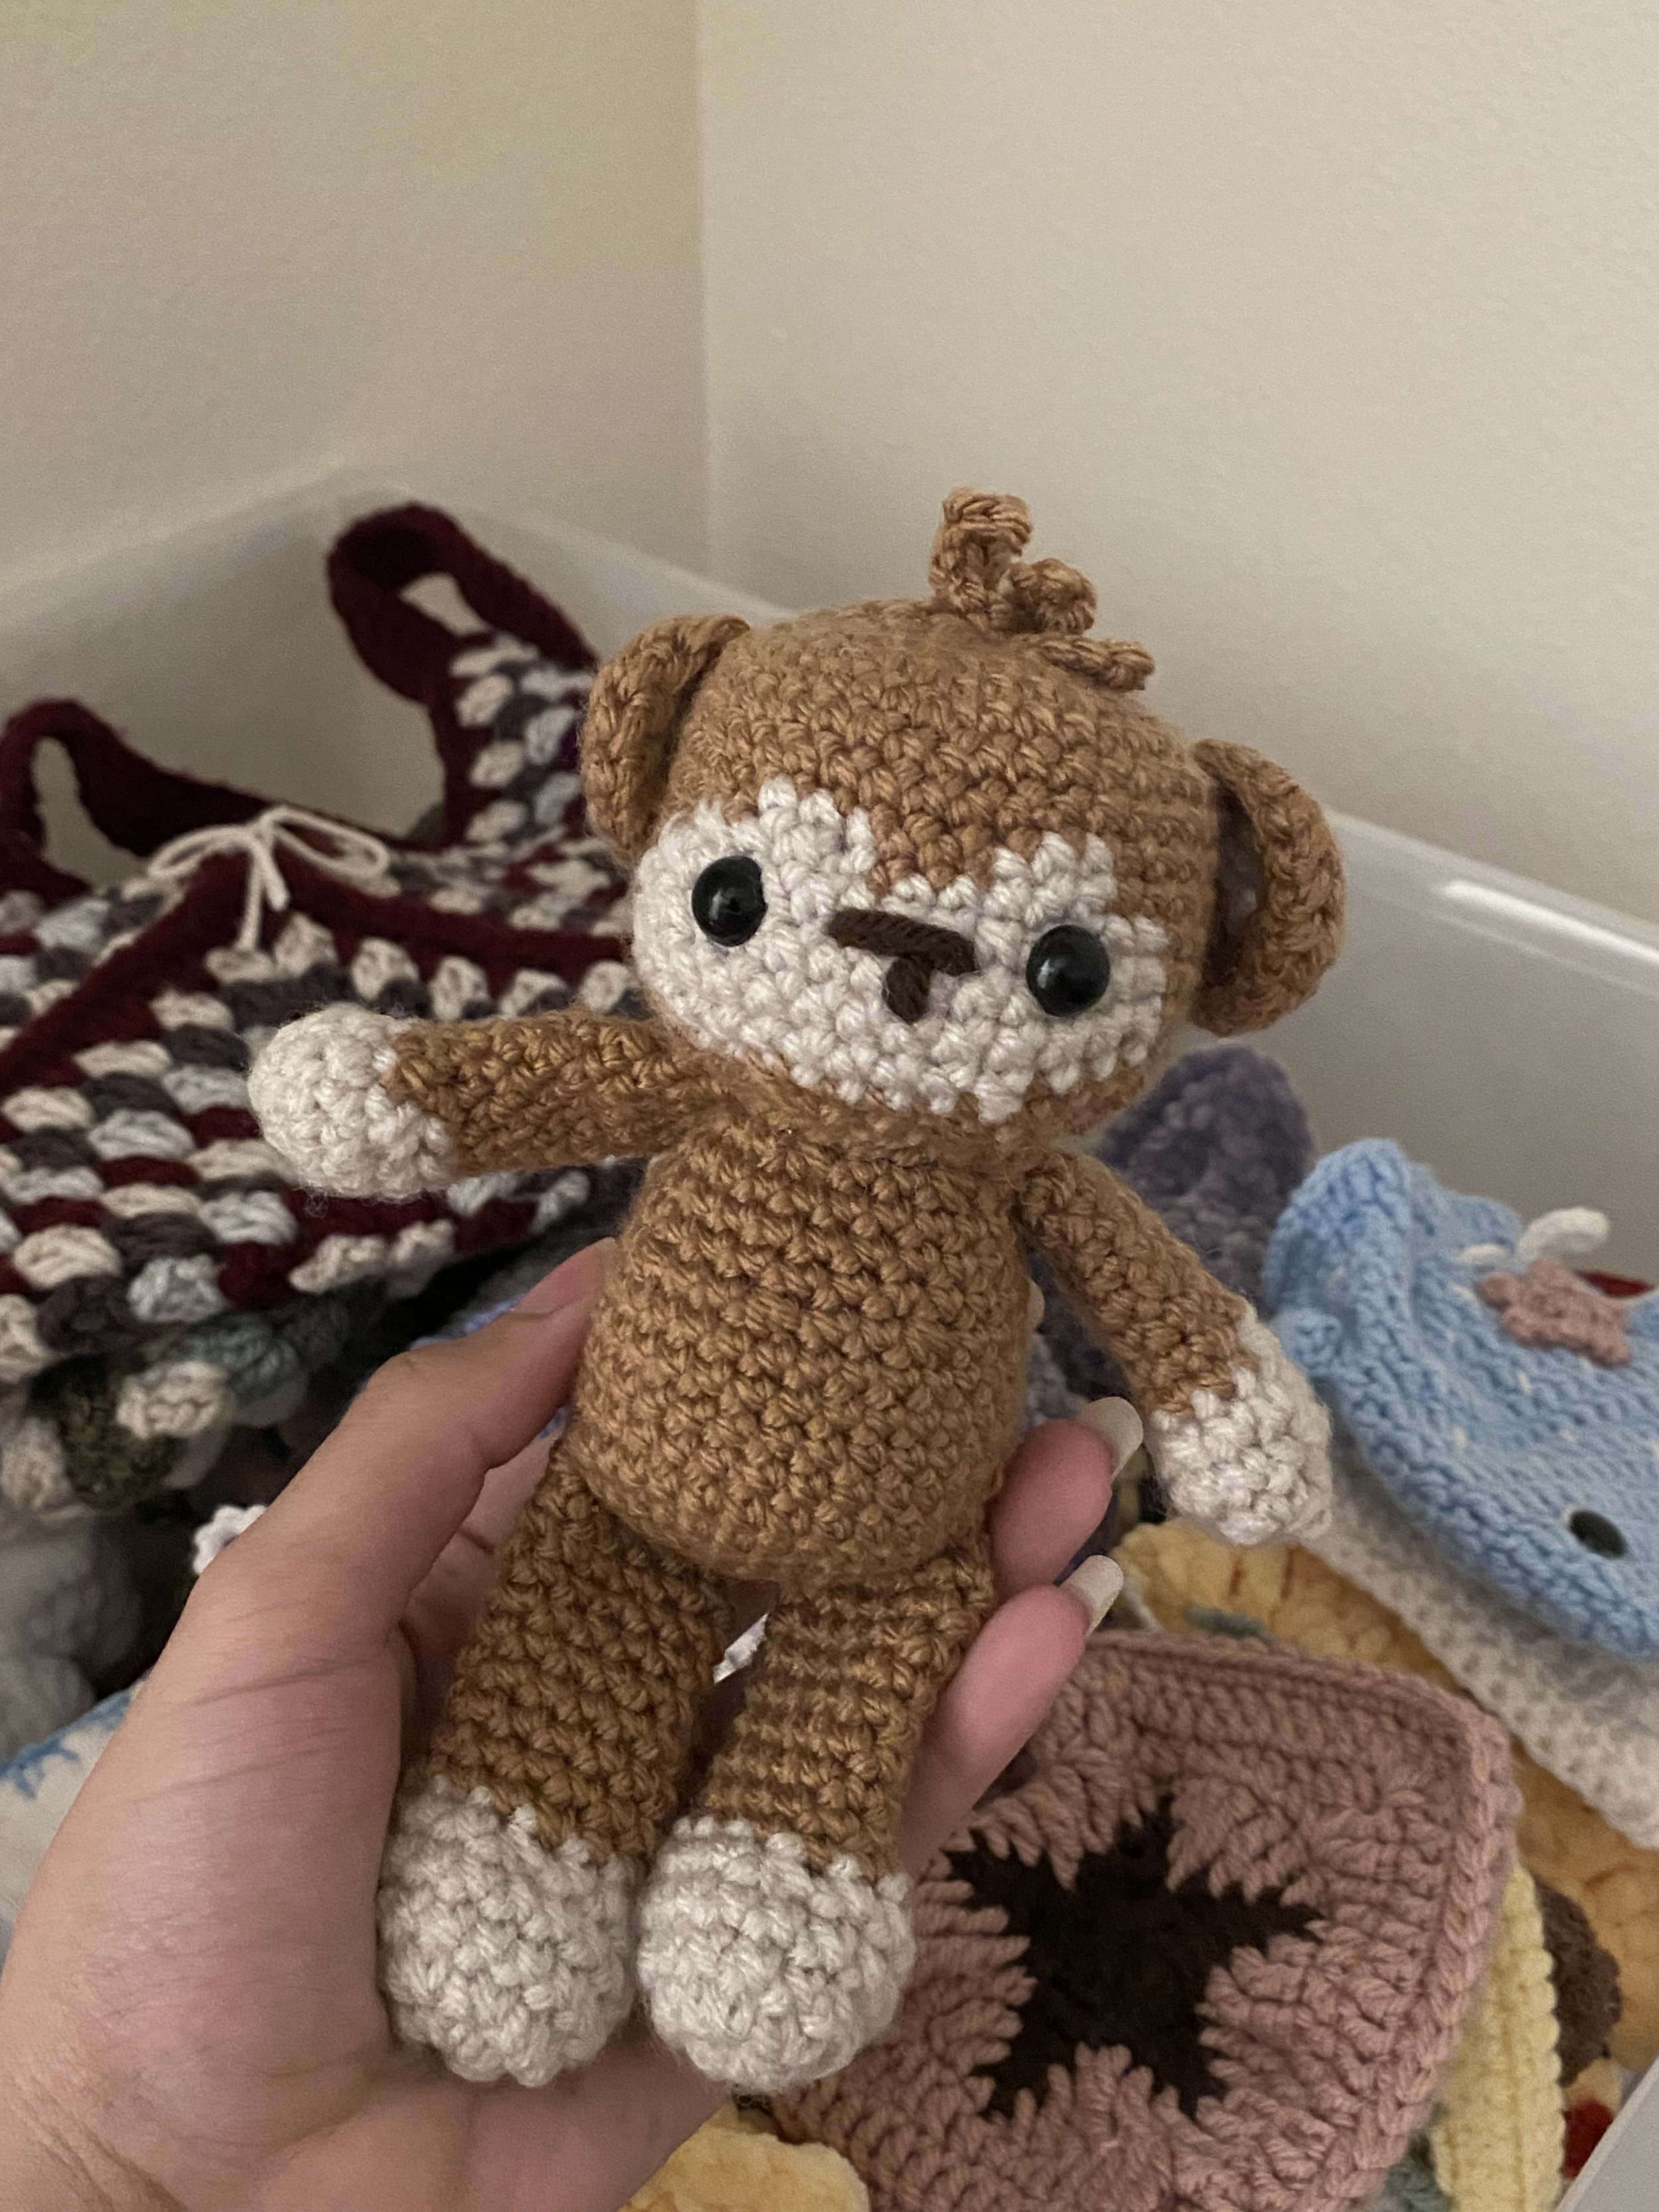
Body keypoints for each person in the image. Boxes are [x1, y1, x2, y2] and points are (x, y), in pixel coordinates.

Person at [0, 1240, 1127, 2211]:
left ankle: (772, 1884)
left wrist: (112, 2167)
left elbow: (1153, 1293)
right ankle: (534, 1873)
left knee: (852, 1686)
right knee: (582, 1649)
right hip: (639, 1492)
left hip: (903, 1515)